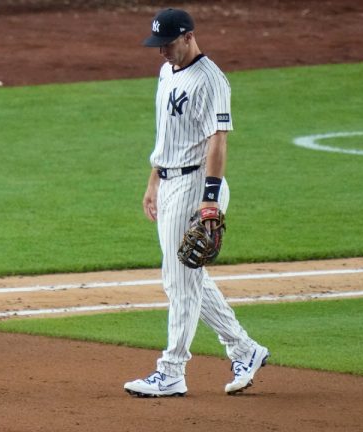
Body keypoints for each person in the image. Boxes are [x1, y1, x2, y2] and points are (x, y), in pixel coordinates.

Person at [123, 8, 269, 398]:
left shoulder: (211, 80)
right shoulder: (167, 71)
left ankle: (172, 370)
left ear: (188, 36)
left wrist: (209, 201)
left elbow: (217, 141)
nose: (161, 52)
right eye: (158, 45)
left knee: (180, 283)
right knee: (186, 279)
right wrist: (154, 179)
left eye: (167, 44)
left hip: (196, 184)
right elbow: (167, 133)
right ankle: (245, 349)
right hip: (170, 180)